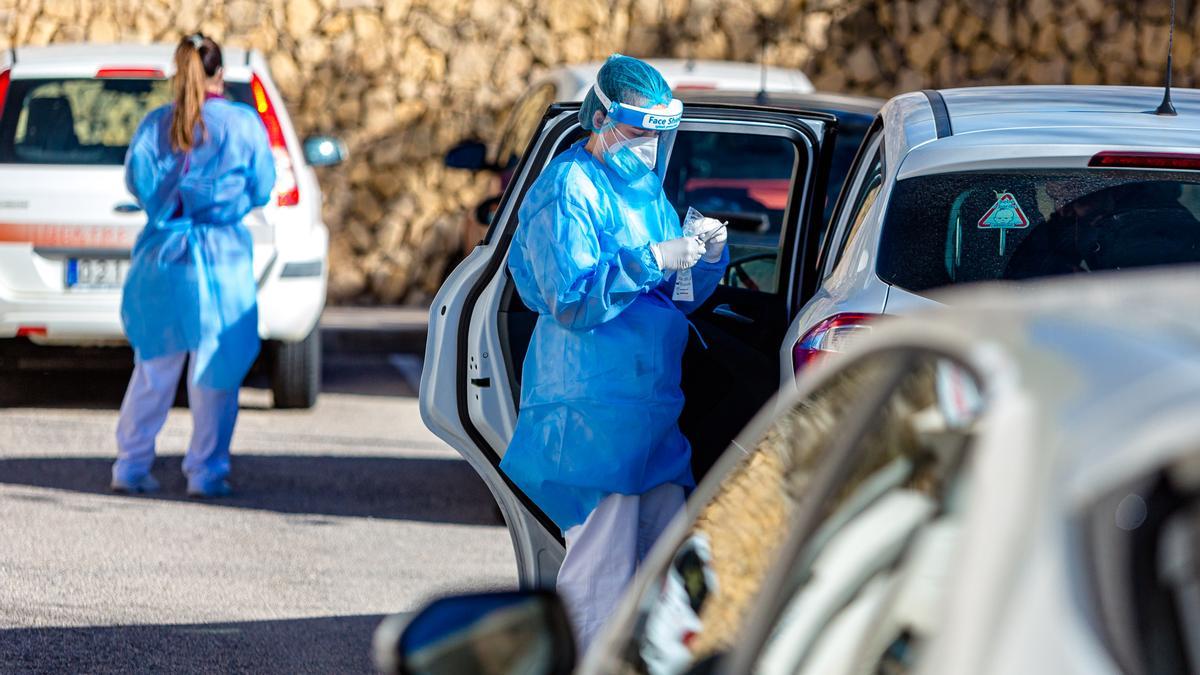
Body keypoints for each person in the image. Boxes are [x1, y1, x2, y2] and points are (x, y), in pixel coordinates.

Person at [502, 54, 729, 649]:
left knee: (669, 573)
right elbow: (571, 297)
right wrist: (655, 257)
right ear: (601, 119)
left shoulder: (647, 193)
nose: (650, 146)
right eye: (638, 131)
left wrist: (702, 258)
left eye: (658, 133)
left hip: (650, 409)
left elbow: (672, 299)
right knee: (600, 578)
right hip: (592, 410)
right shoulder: (568, 187)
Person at [110, 34, 275, 498]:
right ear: (220, 74)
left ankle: (130, 465)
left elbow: (136, 181)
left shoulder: (156, 125)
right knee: (214, 372)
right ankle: (206, 473)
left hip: (163, 260)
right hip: (221, 262)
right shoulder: (242, 125)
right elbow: (262, 187)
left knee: (154, 368)